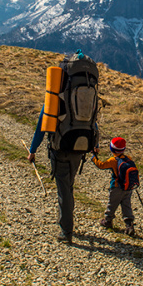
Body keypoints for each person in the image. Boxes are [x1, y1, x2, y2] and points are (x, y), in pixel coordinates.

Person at [27, 51, 99, 244]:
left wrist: (33, 150)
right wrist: (95, 145)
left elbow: (42, 124)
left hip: (61, 147)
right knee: (68, 186)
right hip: (82, 143)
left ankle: (66, 230)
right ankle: (67, 222)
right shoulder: (88, 92)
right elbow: (93, 119)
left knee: (63, 189)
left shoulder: (55, 96)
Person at [92, 136, 137, 237]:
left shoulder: (113, 160)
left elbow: (101, 165)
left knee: (112, 204)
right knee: (126, 205)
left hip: (116, 187)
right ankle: (129, 225)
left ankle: (107, 221)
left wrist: (94, 157)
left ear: (111, 149)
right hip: (128, 187)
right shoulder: (128, 158)